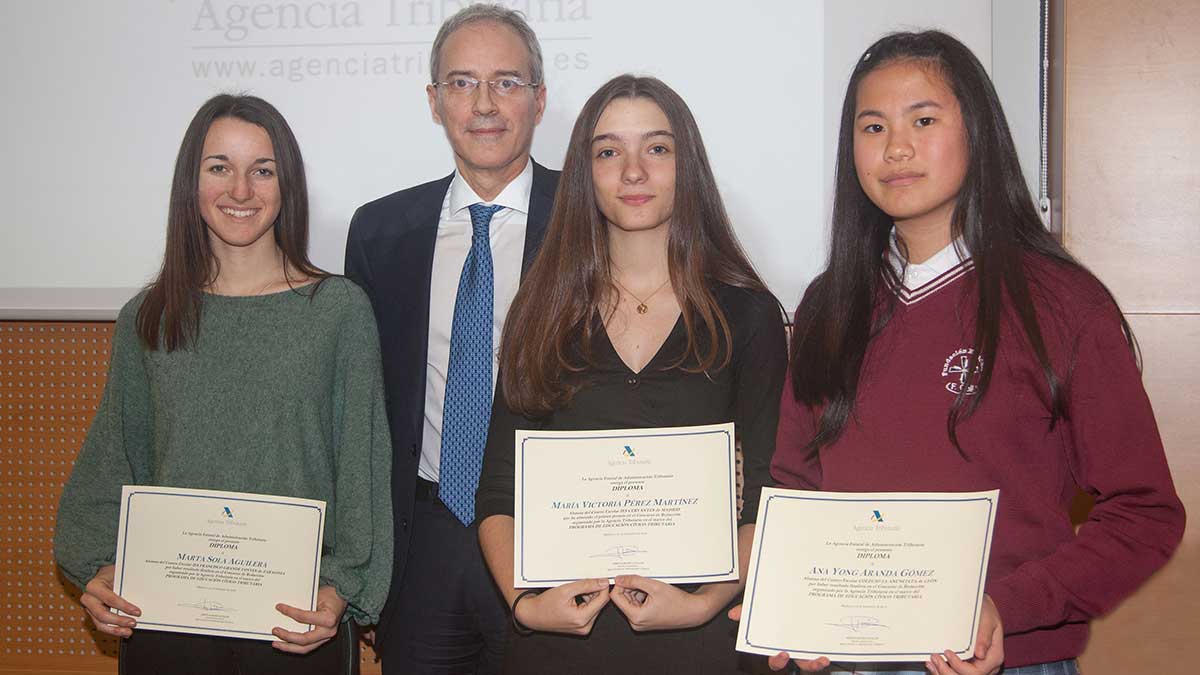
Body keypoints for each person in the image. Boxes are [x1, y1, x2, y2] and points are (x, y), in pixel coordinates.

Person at [759, 30, 1185, 675]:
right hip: (849, 659)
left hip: (1010, 661)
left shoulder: (1062, 303)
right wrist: (792, 605)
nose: (895, 147)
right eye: (872, 127)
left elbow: (1143, 515)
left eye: (923, 120)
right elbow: (796, 485)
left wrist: (1006, 607)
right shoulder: (828, 305)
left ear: (977, 133)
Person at [52, 94, 393, 674]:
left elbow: (361, 465)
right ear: (192, 182)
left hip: (296, 626)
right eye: (220, 168)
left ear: (287, 187)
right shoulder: (149, 317)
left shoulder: (337, 311)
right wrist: (97, 568)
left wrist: (343, 588)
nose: (241, 191)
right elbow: (115, 456)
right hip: (165, 622)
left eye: (263, 170)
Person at [475, 74, 787, 674]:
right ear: (584, 172)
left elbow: (772, 494)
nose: (634, 171)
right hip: (561, 643)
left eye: (658, 148)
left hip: (702, 644)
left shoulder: (746, 313)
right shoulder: (541, 309)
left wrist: (704, 603)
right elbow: (498, 491)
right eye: (609, 151)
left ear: (687, 164)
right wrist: (524, 604)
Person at [343, 5, 558, 673]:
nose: (485, 104)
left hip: (550, 537)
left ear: (540, 100)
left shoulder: (590, 218)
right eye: (462, 83)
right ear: (434, 103)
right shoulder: (380, 233)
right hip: (424, 541)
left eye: (507, 82)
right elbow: (366, 413)